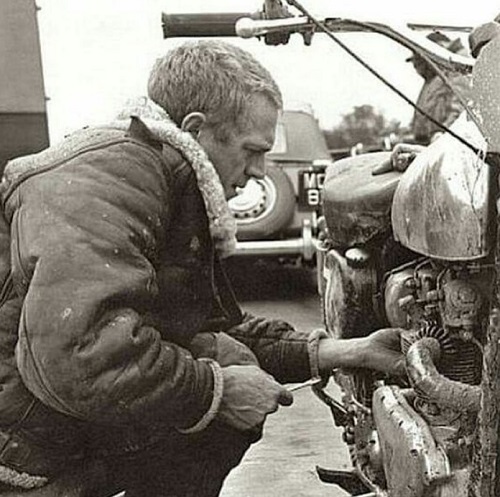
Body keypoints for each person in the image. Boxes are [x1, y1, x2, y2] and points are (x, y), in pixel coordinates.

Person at [0, 40, 404, 496]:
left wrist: (346, 352)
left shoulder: (163, 176)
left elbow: (206, 327)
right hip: (19, 454)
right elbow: (83, 353)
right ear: (195, 131)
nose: (258, 171)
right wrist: (217, 391)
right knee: (225, 376)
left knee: (229, 359)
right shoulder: (111, 178)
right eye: (252, 150)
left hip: (43, 425)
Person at [407, 32, 472, 145]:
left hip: (444, 141)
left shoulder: (457, 66)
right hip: (431, 141)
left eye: (419, 61)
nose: (417, 67)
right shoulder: (435, 75)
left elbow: (462, 107)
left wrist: (444, 134)